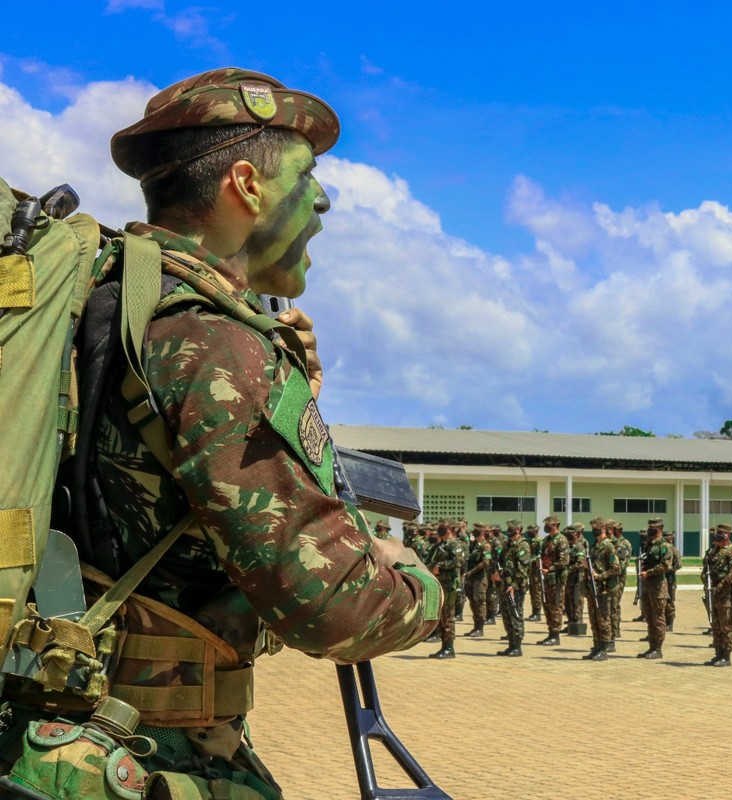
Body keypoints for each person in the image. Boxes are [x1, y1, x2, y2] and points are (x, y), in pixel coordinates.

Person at [2, 68, 442, 794]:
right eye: (308, 177)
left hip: (55, 736)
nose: (324, 200)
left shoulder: (103, 303)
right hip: (151, 753)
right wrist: (416, 578)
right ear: (246, 186)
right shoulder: (212, 340)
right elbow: (333, 609)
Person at [706, 525, 732, 667]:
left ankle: (726, 655)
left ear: (727, 535)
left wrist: (720, 586)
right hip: (714, 592)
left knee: (726, 625)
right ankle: (718, 653)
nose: (717, 537)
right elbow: (707, 569)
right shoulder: (714, 551)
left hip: (726, 593)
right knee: (716, 624)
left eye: (720, 534)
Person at [428, 520, 466, 658]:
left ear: (449, 529)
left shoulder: (454, 544)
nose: (440, 529)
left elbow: (458, 562)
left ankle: (449, 648)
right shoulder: (440, 545)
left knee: (448, 616)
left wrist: (441, 566)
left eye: (443, 527)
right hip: (439, 583)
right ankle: (444, 646)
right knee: (441, 617)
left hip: (449, 585)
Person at [582, 517, 618, 660]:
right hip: (593, 588)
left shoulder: (608, 546)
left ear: (603, 528)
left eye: (595, 527)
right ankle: (596, 646)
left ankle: (604, 648)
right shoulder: (594, 545)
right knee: (594, 619)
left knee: (603, 619)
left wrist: (599, 575)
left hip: (603, 588)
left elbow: (616, 568)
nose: (593, 529)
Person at [495, 522, 531, 656]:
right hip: (505, 584)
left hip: (515, 587)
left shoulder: (523, 545)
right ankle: (510, 644)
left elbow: (523, 570)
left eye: (512, 528)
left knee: (516, 615)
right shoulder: (507, 545)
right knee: (506, 616)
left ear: (518, 530)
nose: (509, 530)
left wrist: (514, 586)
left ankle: (517, 646)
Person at [638, 519, 672, 659]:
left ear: (659, 528)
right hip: (647, 586)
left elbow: (665, 566)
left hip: (658, 586)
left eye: (652, 528)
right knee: (649, 617)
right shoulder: (649, 545)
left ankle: (657, 648)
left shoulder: (664, 546)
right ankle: (651, 646)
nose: (649, 530)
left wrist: (649, 573)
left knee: (658, 617)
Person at [538, 515, 569, 645]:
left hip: (556, 579)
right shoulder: (546, 540)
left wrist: (550, 568)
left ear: (555, 525)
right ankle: (550, 632)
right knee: (547, 606)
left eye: (548, 524)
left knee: (556, 606)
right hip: (546, 578)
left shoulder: (561, 540)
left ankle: (555, 635)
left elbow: (564, 561)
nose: (546, 527)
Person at [463, 522, 493, 637]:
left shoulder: (486, 545)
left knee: (479, 602)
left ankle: (480, 628)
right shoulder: (473, 545)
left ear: (482, 532)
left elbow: (486, 562)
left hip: (480, 578)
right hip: (471, 578)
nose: (474, 532)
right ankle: (475, 627)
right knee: (472, 602)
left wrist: (471, 572)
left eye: (476, 530)